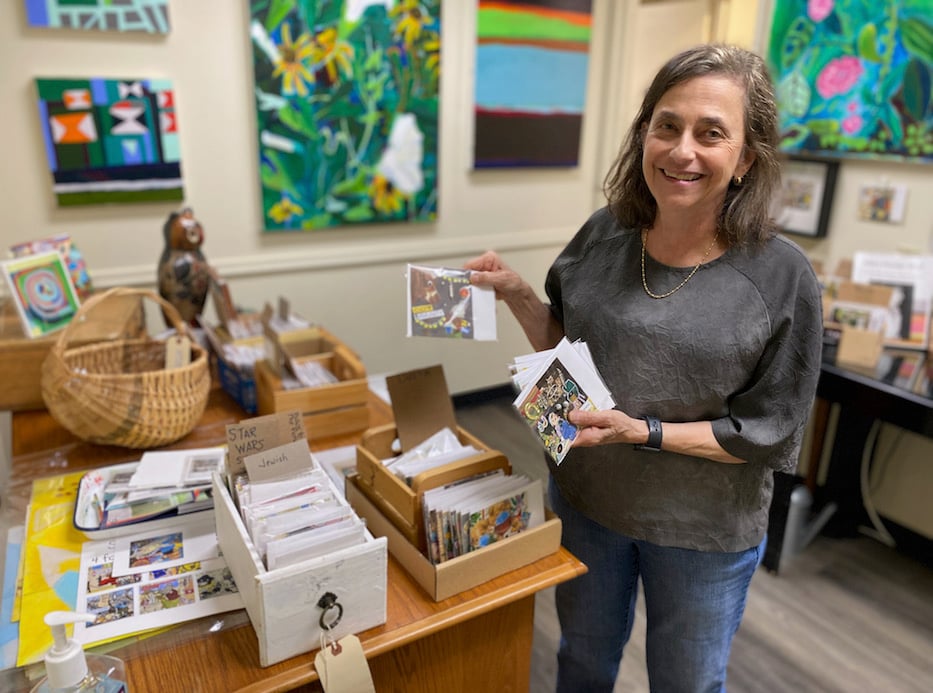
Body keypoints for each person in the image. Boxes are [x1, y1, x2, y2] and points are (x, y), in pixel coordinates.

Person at [465, 44, 823, 692]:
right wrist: (520, 294)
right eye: (667, 125)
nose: (681, 150)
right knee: (580, 662)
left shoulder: (780, 275)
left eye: (710, 133)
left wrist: (643, 431)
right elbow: (563, 349)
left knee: (684, 683)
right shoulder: (605, 232)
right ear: (644, 134)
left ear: (745, 157)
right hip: (587, 503)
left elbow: (764, 431)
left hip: (699, 533)